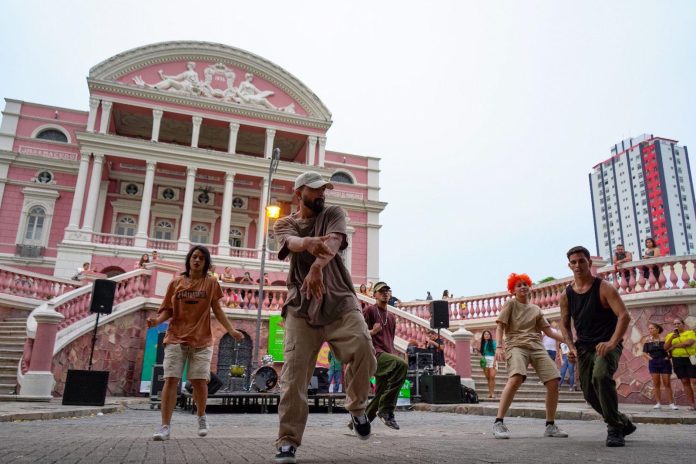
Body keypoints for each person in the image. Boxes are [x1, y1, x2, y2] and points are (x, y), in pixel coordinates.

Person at [273, 171, 377, 463]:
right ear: (299, 193)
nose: (321, 193)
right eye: (315, 189)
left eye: (323, 189)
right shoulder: (284, 223)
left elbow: (333, 241)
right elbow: (290, 241)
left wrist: (317, 267)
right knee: (293, 376)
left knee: (363, 347)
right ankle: (287, 440)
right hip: (301, 307)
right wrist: (305, 243)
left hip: (340, 300)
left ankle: (356, 408)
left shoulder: (334, 212)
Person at [146, 245, 244, 441]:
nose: (197, 260)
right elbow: (168, 310)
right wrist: (156, 321)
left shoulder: (211, 283)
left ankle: (201, 416)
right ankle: (165, 426)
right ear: (189, 260)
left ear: (206, 262)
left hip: (201, 339)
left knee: (199, 381)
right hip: (176, 337)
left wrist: (231, 330)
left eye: (201, 258)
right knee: (171, 379)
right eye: (194, 257)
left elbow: (217, 309)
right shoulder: (176, 283)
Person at [560, 246, 635, 447]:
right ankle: (623, 422)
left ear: (589, 263)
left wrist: (612, 343)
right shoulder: (566, 295)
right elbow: (564, 325)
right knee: (588, 392)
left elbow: (624, 316)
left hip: (606, 344)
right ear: (569, 265)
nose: (578, 265)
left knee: (600, 376)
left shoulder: (604, 288)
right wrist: (571, 347)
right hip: (583, 348)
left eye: (581, 261)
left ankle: (614, 428)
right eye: (573, 262)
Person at [493, 273, 568, 440]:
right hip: (516, 345)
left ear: (529, 286)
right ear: (513, 290)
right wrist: (499, 346)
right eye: (518, 285)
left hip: (536, 346)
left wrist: (569, 341)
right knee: (516, 378)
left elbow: (549, 331)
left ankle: (550, 425)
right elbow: (500, 327)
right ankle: (498, 422)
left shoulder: (536, 309)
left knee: (554, 381)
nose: (522, 287)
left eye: (525, 284)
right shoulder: (511, 304)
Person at [360, 281, 408, 431]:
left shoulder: (392, 317)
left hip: (386, 354)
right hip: (374, 354)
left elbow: (390, 340)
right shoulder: (369, 310)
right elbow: (358, 332)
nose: (385, 293)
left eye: (387, 291)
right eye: (381, 291)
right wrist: (372, 332)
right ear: (374, 295)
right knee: (402, 365)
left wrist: (392, 354)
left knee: (380, 393)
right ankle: (386, 410)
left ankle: (358, 425)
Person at [642, 322, 677, 410]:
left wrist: (667, 358)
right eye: (649, 328)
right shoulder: (647, 340)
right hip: (653, 363)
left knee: (667, 383)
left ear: (657, 329)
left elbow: (670, 350)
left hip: (664, 362)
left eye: (652, 328)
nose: (650, 330)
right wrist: (650, 358)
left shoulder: (664, 339)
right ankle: (658, 403)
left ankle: (671, 404)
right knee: (656, 383)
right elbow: (644, 352)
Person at [664, 318, 696, 410]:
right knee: (684, 381)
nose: (676, 325)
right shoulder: (670, 335)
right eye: (675, 324)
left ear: (683, 324)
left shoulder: (690, 333)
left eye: (678, 323)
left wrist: (674, 346)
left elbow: (688, 343)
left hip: (690, 359)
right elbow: (666, 347)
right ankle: (692, 404)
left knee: (694, 381)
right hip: (677, 360)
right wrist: (672, 338)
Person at [480, 330, 497, 398]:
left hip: (492, 359)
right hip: (485, 360)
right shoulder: (483, 343)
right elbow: (482, 353)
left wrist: (494, 362)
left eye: (488, 334)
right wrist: (482, 360)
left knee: (492, 377)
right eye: (485, 334)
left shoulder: (493, 342)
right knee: (488, 378)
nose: (486, 335)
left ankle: (493, 393)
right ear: (483, 336)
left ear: (490, 336)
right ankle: (490, 393)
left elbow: (495, 353)